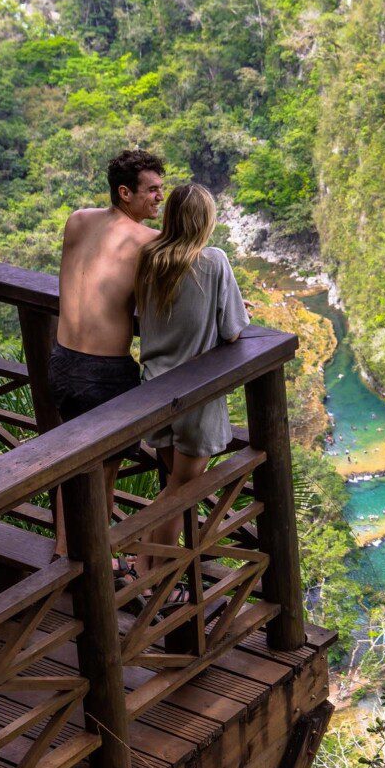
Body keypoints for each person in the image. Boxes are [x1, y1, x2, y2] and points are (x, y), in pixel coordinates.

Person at [132, 183, 250, 601]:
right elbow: (234, 330)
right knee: (182, 490)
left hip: (154, 390)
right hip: (195, 394)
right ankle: (146, 567)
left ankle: (154, 571)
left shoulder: (149, 259)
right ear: (205, 220)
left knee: (176, 486)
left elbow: (140, 316)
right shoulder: (214, 261)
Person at [49, 148, 165, 564]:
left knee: (71, 463)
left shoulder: (78, 219)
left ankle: (64, 550)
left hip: (61, 360)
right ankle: (97, 561)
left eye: (161, 189)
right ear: (124, 193)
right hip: (104, 371)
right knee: (104, 473)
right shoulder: (150, 242)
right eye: (151, 190)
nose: (159, 198)